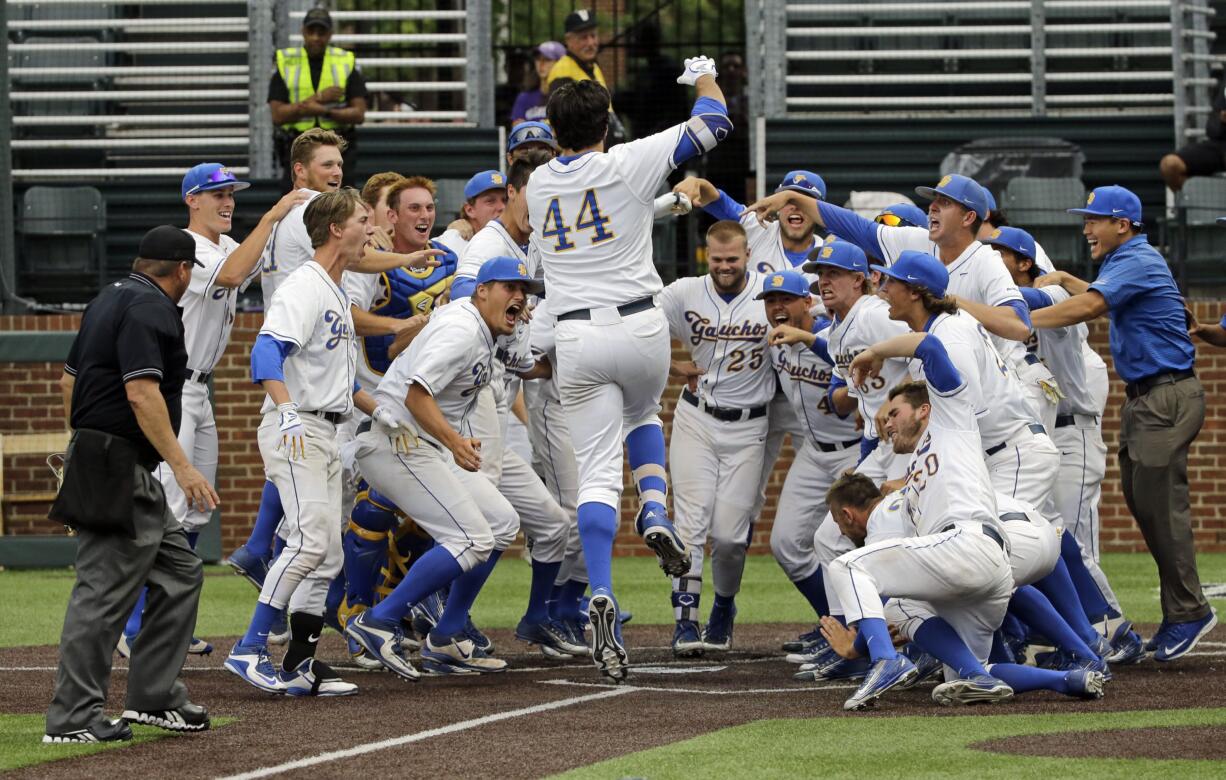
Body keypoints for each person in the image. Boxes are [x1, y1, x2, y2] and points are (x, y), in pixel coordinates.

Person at [526, 58, 732, 681]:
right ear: (607, 123)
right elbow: (715, 121)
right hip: (641, 324)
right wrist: (702, 76)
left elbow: (611, 215)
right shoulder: (627, 160)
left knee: (592, 474)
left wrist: (663, 203)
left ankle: (602, 592)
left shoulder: (537, 184)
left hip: (577, 335)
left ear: (553, 131)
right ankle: (654, 508)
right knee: (643, 413)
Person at [116, 166, 308, 659]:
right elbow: (233, 274)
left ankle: (167, 618)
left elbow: (261, 262)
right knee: (172, 505)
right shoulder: (188, 247)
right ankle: (136, 626)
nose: (226, 202)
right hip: (172, 387)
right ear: (191, 201)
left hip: (200, 388)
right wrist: (274, 213)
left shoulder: (225, 245)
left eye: (230, 194)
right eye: (216, 194)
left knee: (199, 505)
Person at [45, 225, 217, 743]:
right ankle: (72, 719)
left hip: (110, 459)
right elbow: (142, 393)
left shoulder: (110, 297)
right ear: (182, 270)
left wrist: (82, 442)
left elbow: (68, 380)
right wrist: (183, 467)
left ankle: (153, 698)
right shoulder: (152, 309)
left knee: (180, 570)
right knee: (101, 593)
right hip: (117, 465)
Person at [1031, 185, 1218, 660]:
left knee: (1162, 509)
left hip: (1166, 393)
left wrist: (1021, 317)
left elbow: (1092, 307)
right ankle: (1183, 611)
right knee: (1145, 505)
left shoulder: (1136, 258)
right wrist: (1071, 279)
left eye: (1095, 219)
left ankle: (1190, 611)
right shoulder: (1122, 262)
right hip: (1148, 397)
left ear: (1123, 224)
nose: (1086, 227)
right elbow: (1095, 295)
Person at [830, 251, 1016, 711]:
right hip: (987, 570)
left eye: (889, 282)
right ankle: (1070, 678)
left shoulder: (949, 413)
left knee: (847, 567)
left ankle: (885, 660)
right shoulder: (919, 455)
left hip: (968, 543)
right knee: (963, 679)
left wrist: (875, 350)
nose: (882, 288)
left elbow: (930, 350)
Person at [345, 257, 542, 680]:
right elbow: (417, 394)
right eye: (509, 286)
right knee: (470, 537)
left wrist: (450, 438)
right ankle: (378, 621)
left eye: (523, 290)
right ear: (481, 290)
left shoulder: (480, 329)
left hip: (422, 444)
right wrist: (454, 442)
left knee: (501, 522)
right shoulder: (462, 329)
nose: (520, 296)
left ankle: (447, 634)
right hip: (395, 442)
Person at [224, 188, 381, 696]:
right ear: (336, 228)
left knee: (327, 554)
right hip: (299, 427)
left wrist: (391, 415)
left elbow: (344, 382)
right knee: (309, 541)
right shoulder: (305, 285)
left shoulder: (336, 290)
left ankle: (299, 663)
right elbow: (265, 355)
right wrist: (287, 408)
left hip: (331, 427)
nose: (371, 228)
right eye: (363, 219)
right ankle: (249, 648)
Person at [983, 225, 1142, 663]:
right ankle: (1073, 632)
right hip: (1039, 429)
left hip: (1073, 431)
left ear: (1023, 262)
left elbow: (1037, 301)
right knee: (1048, 534)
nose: (989, 260)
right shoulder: (999, 315)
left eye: (998, 254)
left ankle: (1115, 629)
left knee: (1072, 540)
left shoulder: (1049, 292)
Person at [657, 220, 773, 657]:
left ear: (747, 256)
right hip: (696, 419)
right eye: (717, 259)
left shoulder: (769, 291)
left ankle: (723, 605)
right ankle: (685, 622)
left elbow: (816, 315)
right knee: (688, 526)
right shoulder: (684, 291)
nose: (725, 267)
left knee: (728, 535)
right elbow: (636, 328)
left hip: (750, 426)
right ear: (708, 255)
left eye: (733, 259)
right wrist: (673, 367)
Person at [757, 268, 862, 652]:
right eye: (771, 301)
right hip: (813, 453)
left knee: (846, 546)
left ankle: (860, 635)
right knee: (786, 543)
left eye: (786, 299)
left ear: (807, 301)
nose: (778, 307)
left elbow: (843, 356)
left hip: (853, 451)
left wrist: (804, 335)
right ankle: (830, 627)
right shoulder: (773, 341)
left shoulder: (833, 332)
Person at [268, 7, 367, 183]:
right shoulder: (287, 62)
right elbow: (277, 115)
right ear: (303, 32)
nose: (315, 37)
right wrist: (318, 98)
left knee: (341, 205)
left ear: (330, 34)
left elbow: (358, 114)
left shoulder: (344, 61)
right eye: (311, 31)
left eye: (321, 32)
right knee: (298, 205)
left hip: (338, 148)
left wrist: (324, 111)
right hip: (299, 147)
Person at [1160, 70, 1226, 192]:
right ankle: (1194, 203)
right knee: (1170, 165)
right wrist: (1221, 121)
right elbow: (1212, 129)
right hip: (1221, 145)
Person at [511, 41, 565, 125]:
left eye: (547, 59)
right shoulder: (524, 97)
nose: (541, 64)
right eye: (538, 59)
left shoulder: (568, 97)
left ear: (561, 63)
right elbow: (517, 131)